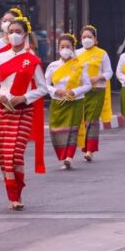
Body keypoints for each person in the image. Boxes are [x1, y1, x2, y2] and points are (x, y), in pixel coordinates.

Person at [0, 16, 47, 210]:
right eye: (11, 32)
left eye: (18, 32)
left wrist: (24, 97)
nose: (14, 35)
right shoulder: (0, 57)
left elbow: (43, 88)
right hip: (2, 109)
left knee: (15, 152)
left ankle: (17, 193)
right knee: (3, 153)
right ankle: (12, 194)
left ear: (26, 35)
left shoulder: (32, 60)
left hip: (23, 110)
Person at [45, 35, 91, 169]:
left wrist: (74, 92)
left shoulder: (80, 65)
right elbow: (44, 85)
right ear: (58, 49)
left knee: (72, 131)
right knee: (55, 131)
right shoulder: (52, 66)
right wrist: (55, 91)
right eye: (62, 47)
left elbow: (87, 85)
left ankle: (69, 158)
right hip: (58, 103)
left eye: (68, 47)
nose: (65, 49)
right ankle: (63, 155)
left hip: (75, 102)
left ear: (73, 48)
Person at [75, 25, 113, 161]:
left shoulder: (102, 53)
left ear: (95, 39)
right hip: (81, 92)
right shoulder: (76, 54)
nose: (86, 39)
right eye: (84, 37)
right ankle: (84, 146)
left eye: (89, 37)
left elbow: (109, 72)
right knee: (82, 120)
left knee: (92, 120)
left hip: (97, 91)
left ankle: (90, 150)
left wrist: (98, 77)